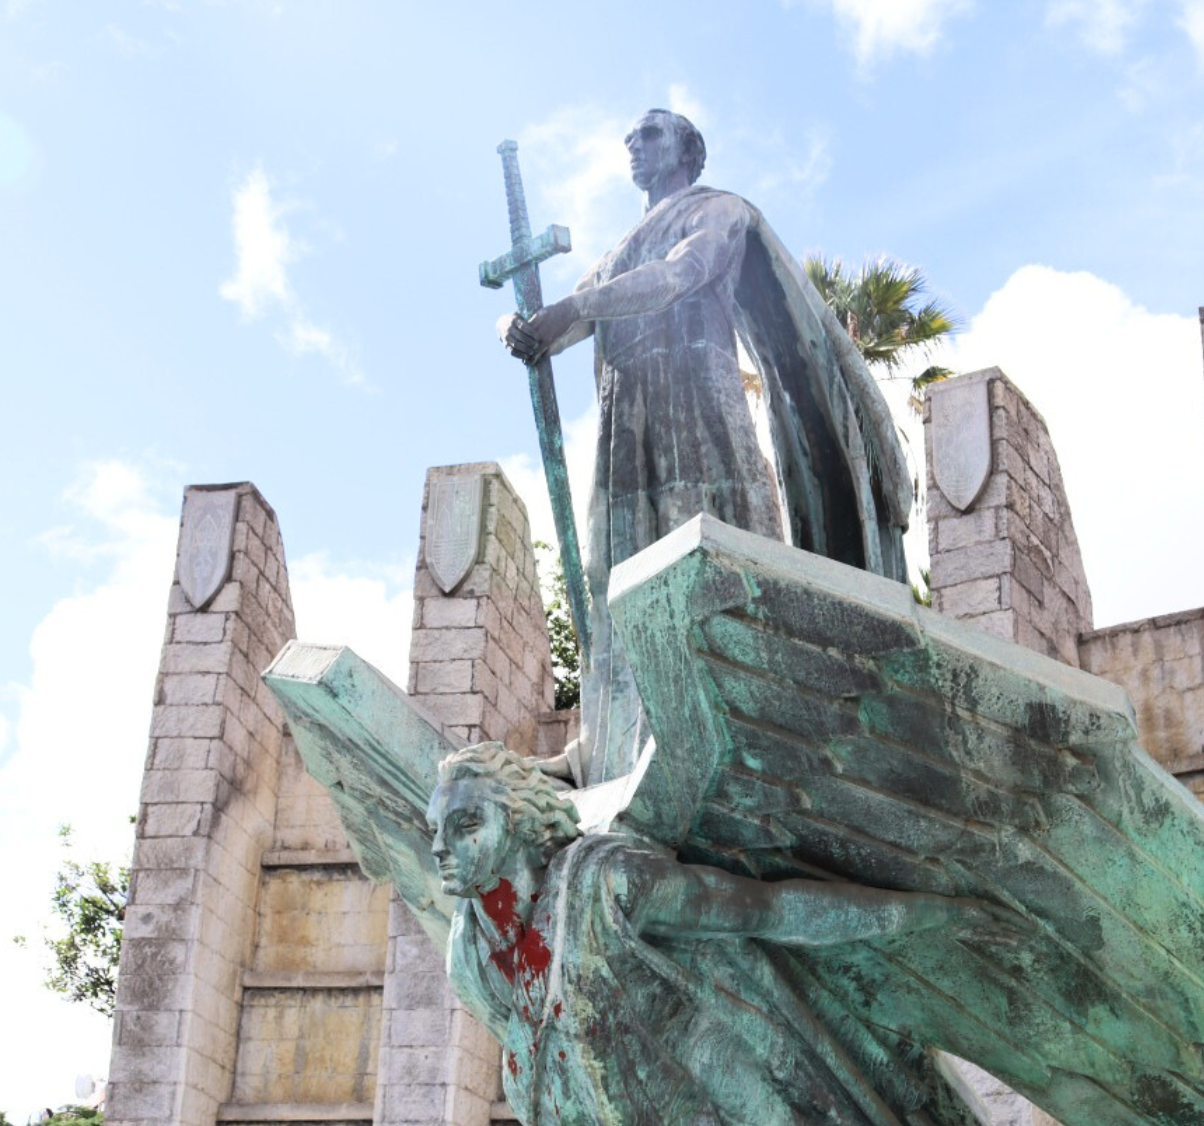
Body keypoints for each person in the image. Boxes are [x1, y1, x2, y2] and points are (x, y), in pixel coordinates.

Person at [498, 110, 911, 788]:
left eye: (651, 133)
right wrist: (517, 329)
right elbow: (560, 322)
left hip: (698, 410)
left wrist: (572, 312)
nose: (634, 143)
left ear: (688, 150)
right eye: (630, 136)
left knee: (714, 555)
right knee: (621, 577)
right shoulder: (613, 256)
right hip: (627, 428)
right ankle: (612, 744)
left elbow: (684, 272)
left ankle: (753, 717)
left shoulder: (718, 211)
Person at [428, 741, 1008, 1126]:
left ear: (522, 819)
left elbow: (769, 909)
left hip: (723, 1091)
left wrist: (927, 913)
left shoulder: (606, 881)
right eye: (436, 829)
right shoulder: (469, 957)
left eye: (466, 824)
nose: (440, 849)